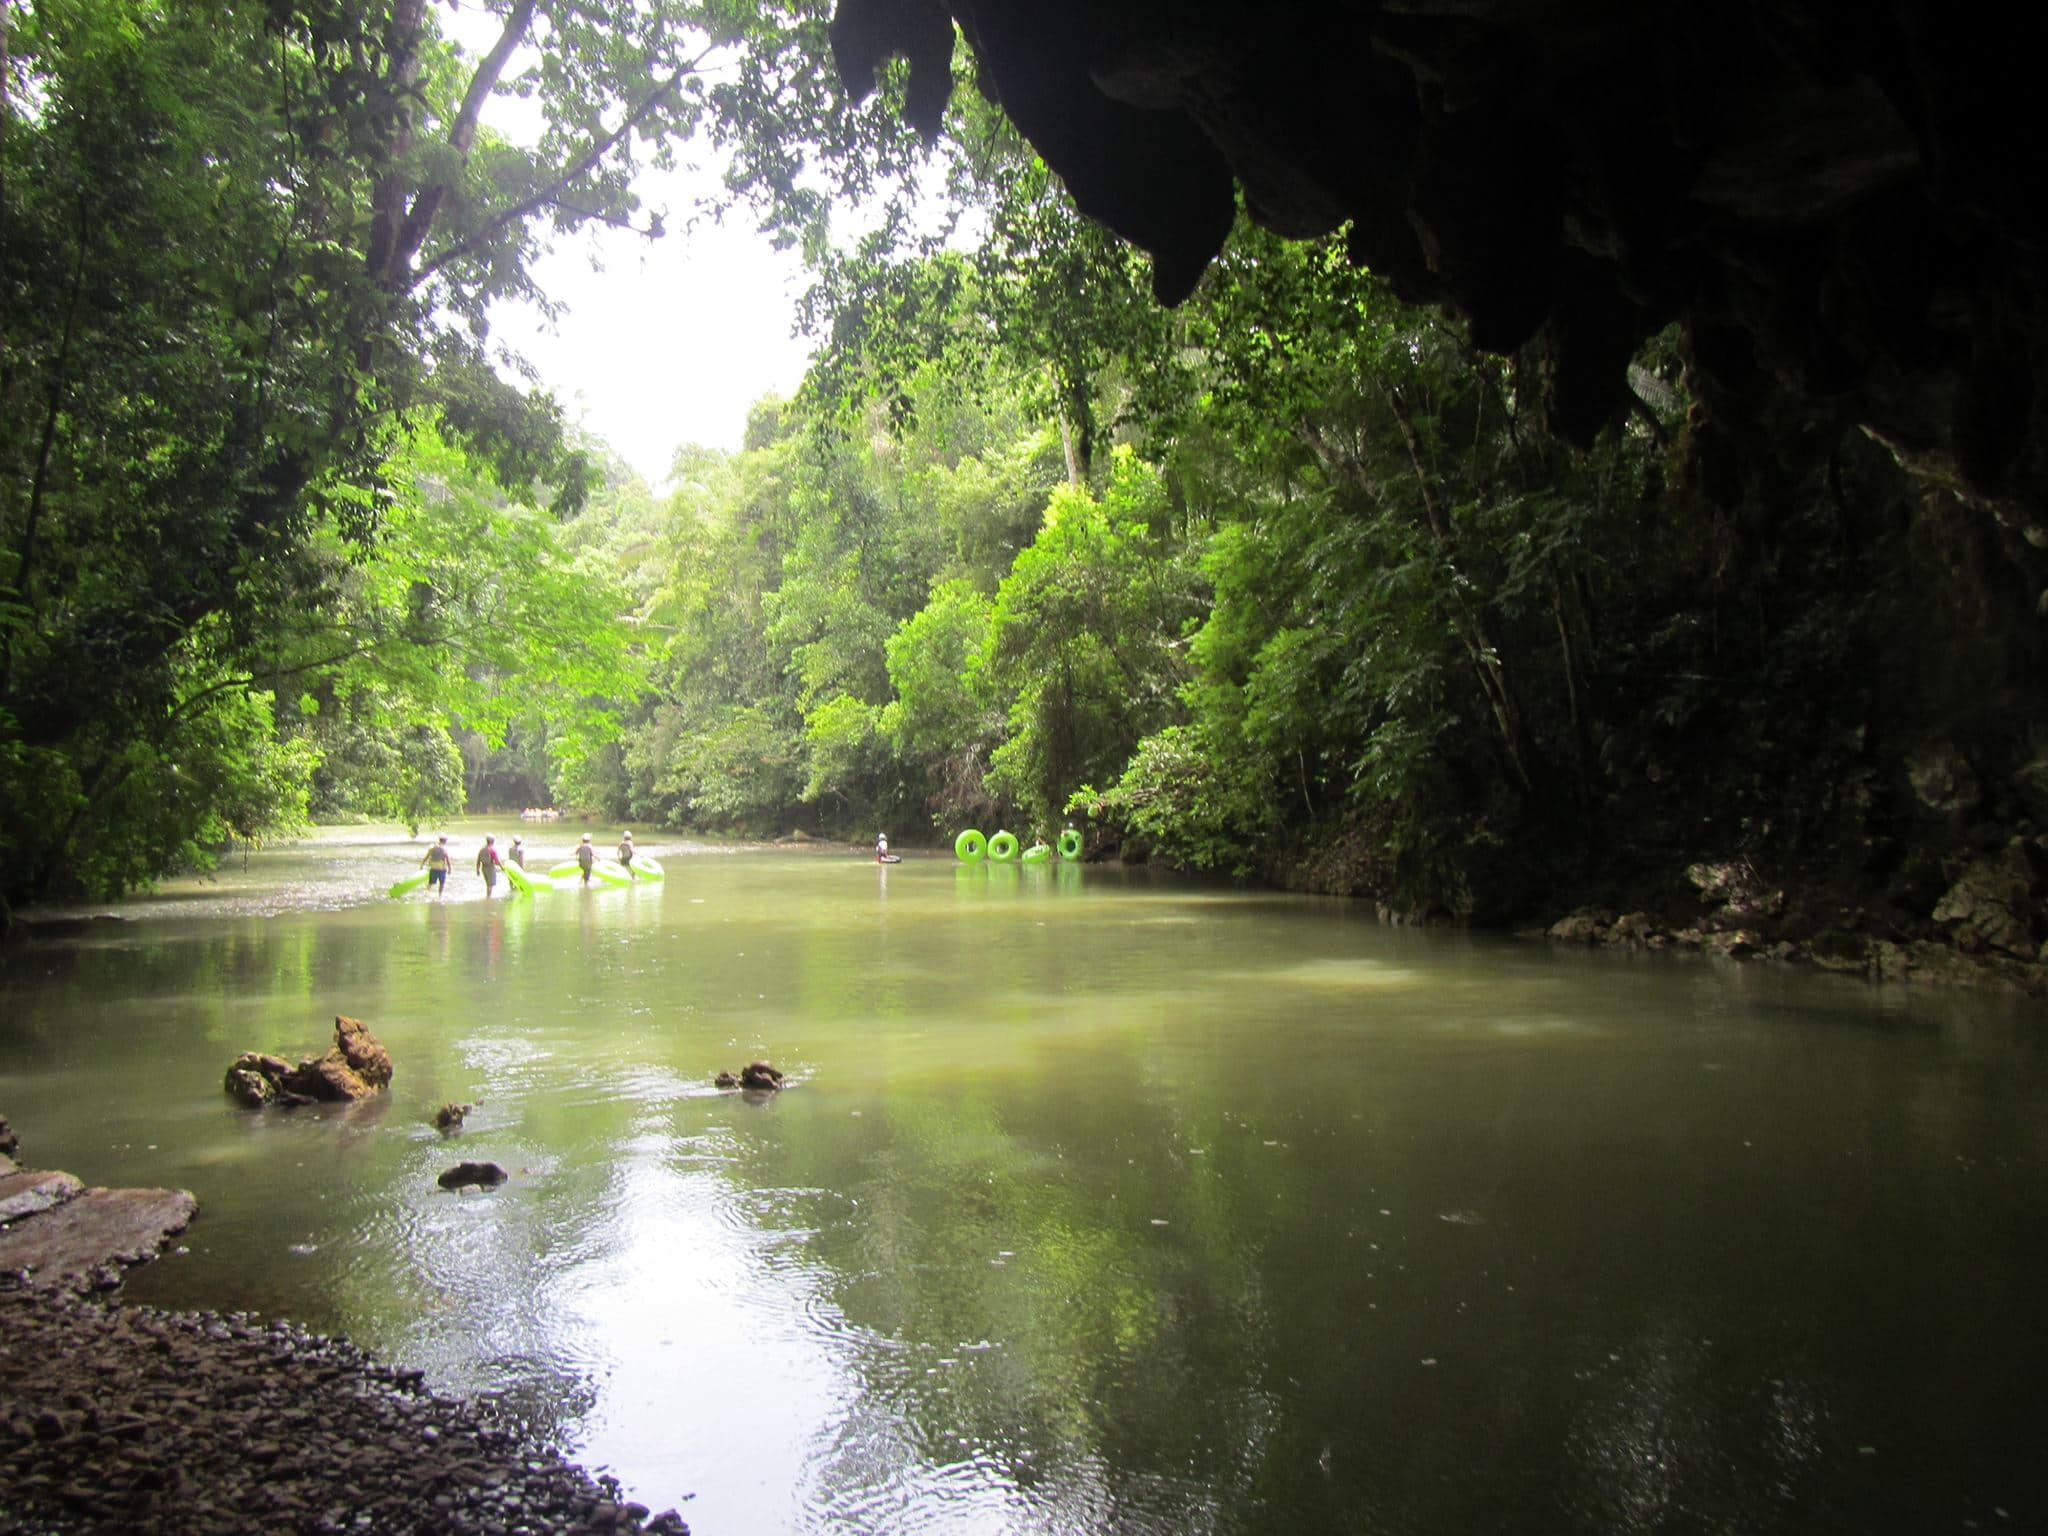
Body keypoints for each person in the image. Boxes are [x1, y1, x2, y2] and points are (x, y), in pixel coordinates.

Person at [419, 835, 453, 901]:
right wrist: (450, 869)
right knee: (442, 883)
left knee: (430, 883)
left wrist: (422, 865)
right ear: (445, 841)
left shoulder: (432, 848)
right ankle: (440, 896)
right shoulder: (444, 849)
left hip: (433, 868)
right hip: (441, 869)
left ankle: (426, 894)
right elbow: (448, 860)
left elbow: (426, 857)